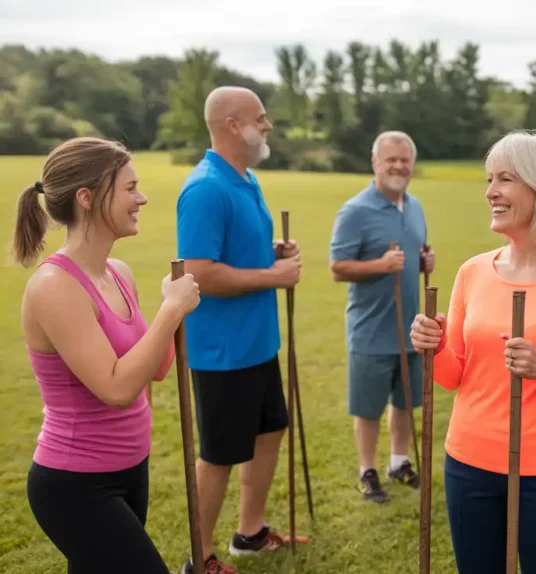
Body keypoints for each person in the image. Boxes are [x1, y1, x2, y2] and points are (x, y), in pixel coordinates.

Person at [409, 130, 536, 573]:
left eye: (505, 179)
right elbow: (453, 375)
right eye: (489, 179)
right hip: (470, 462)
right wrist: (435, 346)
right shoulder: (472, 272)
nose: (491, 192)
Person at [13, 136, 200, 573]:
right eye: (130, 188)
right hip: (76, 483)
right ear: (88, 197)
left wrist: (175, 315)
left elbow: (152, 370)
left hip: (131, 466)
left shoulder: (119, 273)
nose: (143, 198)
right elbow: (115, 387)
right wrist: (170, 310)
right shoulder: (54, 286)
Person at [175, 86, 307, 574]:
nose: (268, 125)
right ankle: (199, 557)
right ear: (233, 125)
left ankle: (248, 534)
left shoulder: (243, 178)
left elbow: (230, 251)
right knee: (219, 456)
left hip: (257, 343)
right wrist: (272, 277)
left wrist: (268, 252)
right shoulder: (206, 187)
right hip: (222, 352)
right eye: (261, 117)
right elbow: (199, 272)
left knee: (270, 430)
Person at [329, 130, 435, 503]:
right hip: (370, 329)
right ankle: (367, 470)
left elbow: (416, 250)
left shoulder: (416, 206)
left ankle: (399, 461)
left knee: (405, 400)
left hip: (410, 328)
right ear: (375, 162)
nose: (398, 166)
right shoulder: (355, 211)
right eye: (390, 159)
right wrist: (380, 265)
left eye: (405, 160)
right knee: (368, 407)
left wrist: (424, 262)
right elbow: (337, 268)